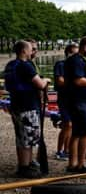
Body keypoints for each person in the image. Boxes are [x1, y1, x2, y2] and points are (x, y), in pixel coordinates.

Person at [4, 40, 50, 178]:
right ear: (24, 51)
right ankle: (25, 166)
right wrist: (47, 80)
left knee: (21, 136)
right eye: (31, 49)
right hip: (28, 105)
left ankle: (26, 163)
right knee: (28, 137)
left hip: (16, 104)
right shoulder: (25, 66)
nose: (32, 52)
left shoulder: (10, 65)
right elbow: (40, 84)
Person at [64, 36, 86, 173]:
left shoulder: (84, 60)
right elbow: (79, 81)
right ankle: (80, 164)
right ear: (85, 47)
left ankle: (72, 164)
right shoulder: (76, 61)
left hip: (85, 100)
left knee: (77, 133)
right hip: (78, 101)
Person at [53, 43, 78, 160]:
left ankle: (67, 150)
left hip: (75, 99)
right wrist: (76, 82)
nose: (76, 56)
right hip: (64, 99)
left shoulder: (77, 66)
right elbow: (60, 81)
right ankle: (59, 151)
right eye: (74, 53)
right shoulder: (60, 64)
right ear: (68, 53)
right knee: (67, 125)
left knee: (72, 126)